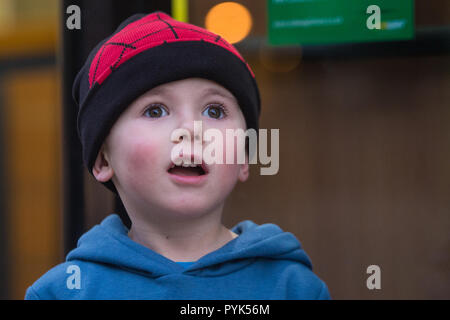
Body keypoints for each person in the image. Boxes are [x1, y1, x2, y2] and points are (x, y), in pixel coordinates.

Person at [25, 11, 330, 300]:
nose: (191, 129)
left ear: (244, 157)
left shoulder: (293, 287)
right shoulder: (64, 292)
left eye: (214, 111)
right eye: (155, 110)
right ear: (104, 160)